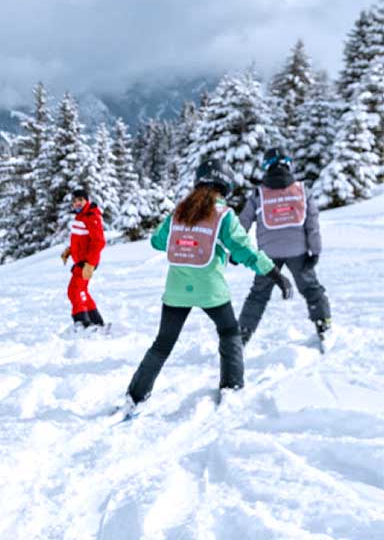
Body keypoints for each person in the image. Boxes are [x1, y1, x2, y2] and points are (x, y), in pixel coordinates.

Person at [125, 158, 293, 407]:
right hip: (210, 289)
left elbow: (158, 242)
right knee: (229, 333)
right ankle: (232, 385)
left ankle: (136, 395)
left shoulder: (179, 211)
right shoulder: (223, 215)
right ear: (225, 186)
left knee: (162, 343)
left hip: (176, 290)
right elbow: (244, 250)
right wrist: (275, 274)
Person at [236, 147, 331, 345]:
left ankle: (243, 334)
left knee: (258, 294)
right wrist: (316, 251)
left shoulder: (258, 194)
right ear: (288, 164)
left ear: (266, 167)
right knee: (311, 289)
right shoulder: (302, 190)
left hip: (268, 255)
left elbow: (242, 223)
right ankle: (323, 324)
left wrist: (236, 251)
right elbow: (312, 222)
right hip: (298, 252)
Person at [59, 187, 106, 328]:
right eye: (75, 201)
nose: (77, 203)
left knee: (74, 291)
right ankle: (95, 321)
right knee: (82, 290)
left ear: (87, 200)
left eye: (80, 200)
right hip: (81, 261)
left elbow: (99, 242)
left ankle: (82, 323)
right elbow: (81, 241)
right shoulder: (81, 216)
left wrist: (90, 264)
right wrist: (70, 251)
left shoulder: (91, 217)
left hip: (86, 263)